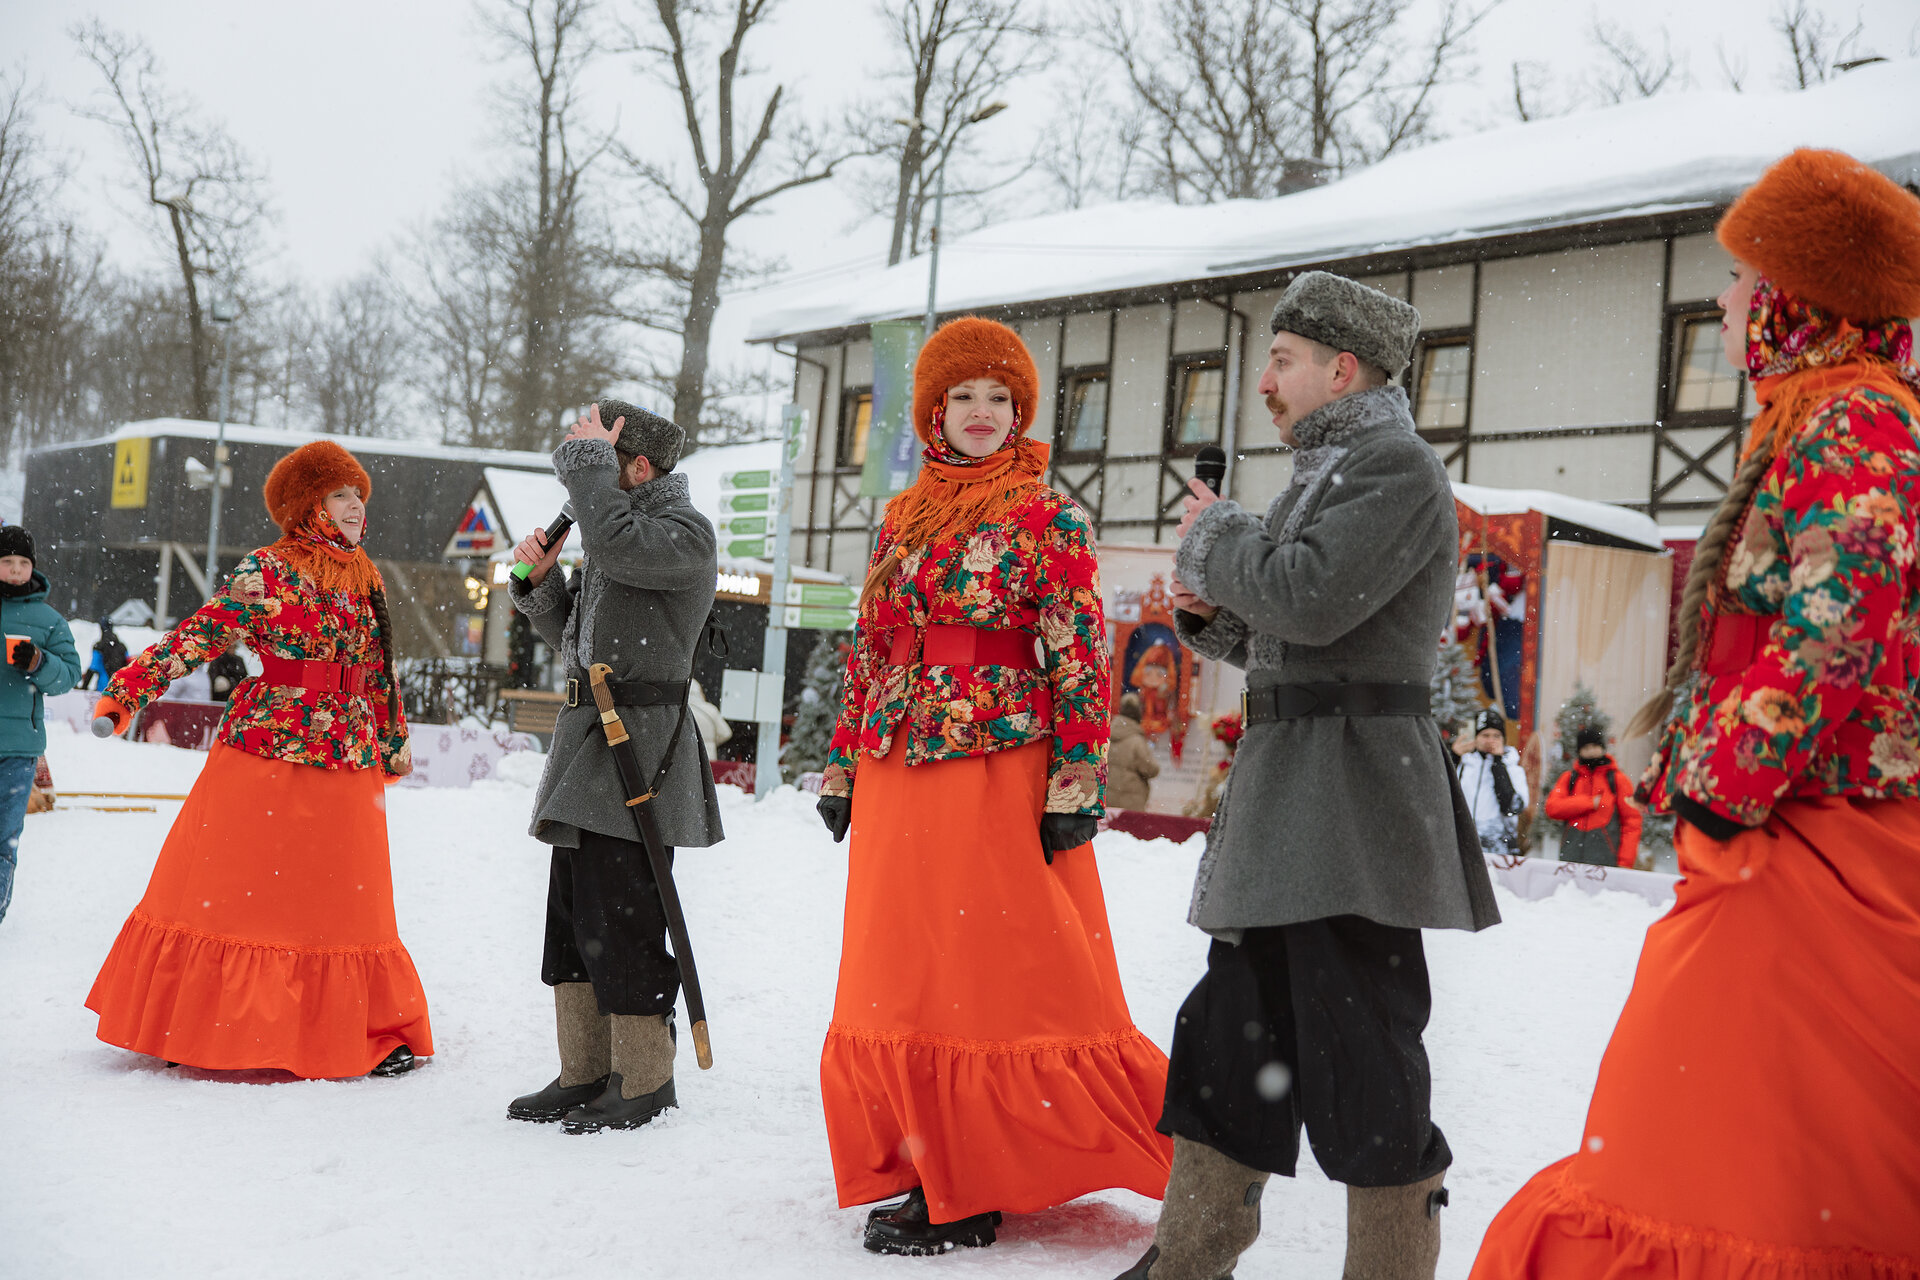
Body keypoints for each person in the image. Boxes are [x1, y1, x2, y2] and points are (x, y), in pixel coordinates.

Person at [1472, 148, 1920, 1277]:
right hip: (1793, 826)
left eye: (1739, 275)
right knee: (1734, 1125)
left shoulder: (1856, 420)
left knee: (1707, 1121)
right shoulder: (1817, 416)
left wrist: (1728, 782)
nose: (1722, 299)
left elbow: (1839, 619)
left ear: (1794, 294)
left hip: (1819, 836)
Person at [1125, 271, 1500, 1280]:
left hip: (1354, 804)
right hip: (1292, 796)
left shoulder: (1395, 466)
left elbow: (1312, 598)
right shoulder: (1330, 469)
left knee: (1363, 1053)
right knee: (1227, 1039)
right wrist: (1217, 620)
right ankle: (1186, 1261)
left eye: (1282, 360)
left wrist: (1219, 537)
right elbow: (1300, 635)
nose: (1265, 382)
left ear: (1341, 370)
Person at [815, 316, 1172, 1257]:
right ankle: (923, 1160)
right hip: (897, 768)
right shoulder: (900, 517)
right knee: (903, 970)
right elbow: (872, 648)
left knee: (981, 972)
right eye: (963, 396)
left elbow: (1079, 655)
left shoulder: (1050, 517)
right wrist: (843, 765)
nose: (982, 412)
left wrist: (1076, 783)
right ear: (933, 412)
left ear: (1021, 413)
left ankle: (968, 1181)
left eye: (1000, 398)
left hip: (993, 766)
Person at [86, 441, 429, 1078]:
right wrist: (127, 692)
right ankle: (192, 1020)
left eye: (359, 495)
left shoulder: (366, 575)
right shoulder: (268, 569)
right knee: (231, 890)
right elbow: (198, 635)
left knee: (342, 902)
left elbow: (378, 668)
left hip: (348, 752)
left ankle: (361, 1027)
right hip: (268, 746)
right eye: (340, 495)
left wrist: (391, 742)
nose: (356, 506)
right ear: (308, 505)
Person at [505, 399, 723, 1134]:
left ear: (638, 467)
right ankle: (586, 1070)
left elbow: (622, 547)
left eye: (601, 465)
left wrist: (588, 474)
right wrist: (543, 585)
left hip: (641, 750)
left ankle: (645, 1076)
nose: (581, 488)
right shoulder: (615, 534)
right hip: (589, 746)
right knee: (573, 918)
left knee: (623, 918)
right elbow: (576, 641)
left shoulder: (681, 532)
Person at [0, 526, 81, 925]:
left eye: (23, 562)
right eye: (7, 561)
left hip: (18, 748)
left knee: (3, 838)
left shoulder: (49, 621)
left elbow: (69, 676)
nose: (16, 570)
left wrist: (38, 663)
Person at [1542, 727, 1642, 868]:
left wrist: (1625, 862)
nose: (1591, 751)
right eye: (1586, 748)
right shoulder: (1569, 778)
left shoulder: (1618, 780)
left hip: (1606, 861)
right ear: (1579, 751)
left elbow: (1632, 822)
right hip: (1571, 859)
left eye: (1595, 746)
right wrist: (1589, 803)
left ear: (1602, 748)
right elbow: (1552, 808)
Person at [1456, 708, 1528, 861]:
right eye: (1485, 735)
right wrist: (1454, 756)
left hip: (1499, 849)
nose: (1491, 740)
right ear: (1476, 738)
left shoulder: (1514, 769)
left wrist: (1498, 764)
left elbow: (1512, 807)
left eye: (1496, 736)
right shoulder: (1465, 764)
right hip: (1463, 845)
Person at [1107, 691, 1160, 811]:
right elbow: (1151, 769)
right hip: (1130, 803)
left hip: (1107, 799)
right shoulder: (1136, 741)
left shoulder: (1107, 735)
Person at [79, 617, 129, 691]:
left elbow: (93, 667)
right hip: (120, 688)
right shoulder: (122, 647)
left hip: (104, 688)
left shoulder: (99, 647)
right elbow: (128, 666)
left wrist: (84, 687)